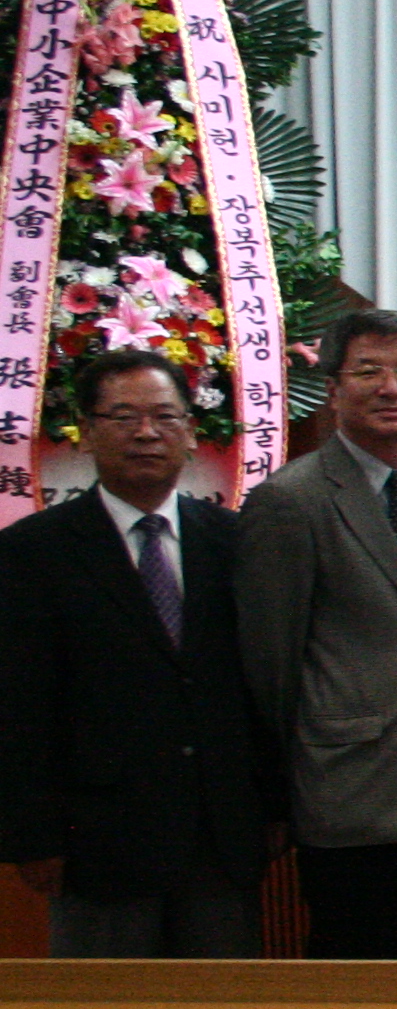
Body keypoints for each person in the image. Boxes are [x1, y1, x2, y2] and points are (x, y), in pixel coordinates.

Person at [236, 306, 397, 958]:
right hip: (354, 793)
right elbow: (270, 667)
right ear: (332, 389)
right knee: (364, 984)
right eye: (369, 372)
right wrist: (276, 798)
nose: (392, 387)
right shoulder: (290, 501)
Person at [0, 349, 271, 954]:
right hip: (97, 841)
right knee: (107, 1004)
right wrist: (33, 836)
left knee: (223, 1004)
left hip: (221, 835)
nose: (147, 433)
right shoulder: (32, 553)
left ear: (190, 432)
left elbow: (263, 683)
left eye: (165, 417)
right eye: (124, 417)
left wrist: (274, 806)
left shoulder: (234, 542)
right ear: (87, 431)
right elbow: (18, 707)